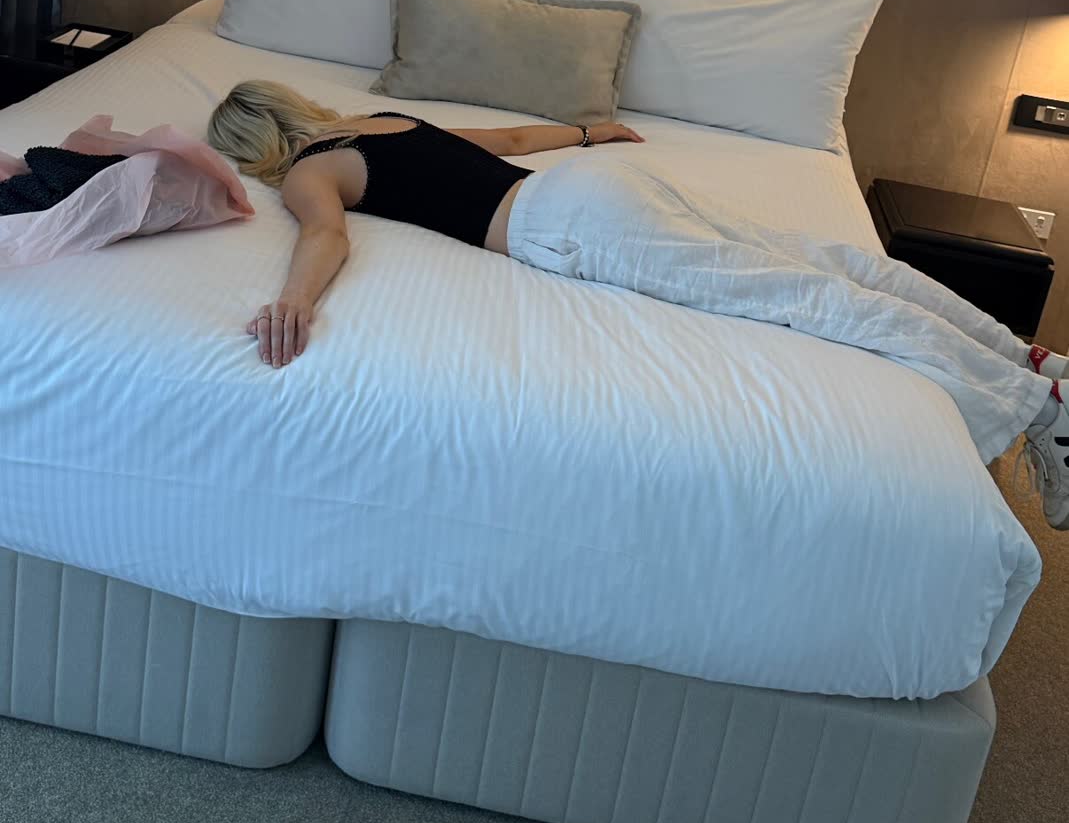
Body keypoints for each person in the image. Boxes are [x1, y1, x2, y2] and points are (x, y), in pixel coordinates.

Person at [206, 79, 1069, 532]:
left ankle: (1039, 412)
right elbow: (508, 139)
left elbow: (325, 235)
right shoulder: (379, 120)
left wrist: (293, 302)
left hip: (564, 226)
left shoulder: (311, 171)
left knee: (804, 298)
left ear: (252, 148)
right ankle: (1033, 358)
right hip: (592, 183)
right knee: (829, 262)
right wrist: (589, 133)